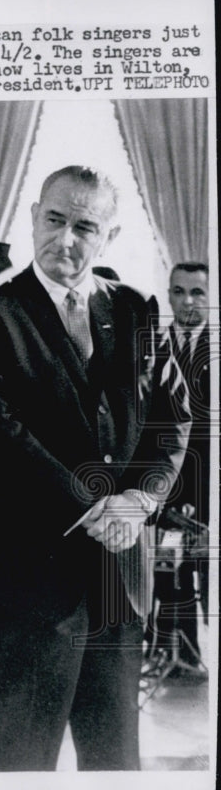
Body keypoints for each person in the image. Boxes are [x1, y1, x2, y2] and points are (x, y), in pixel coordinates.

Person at [0, 165, 190, 771]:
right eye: (55, 220)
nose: (67, 240)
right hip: (24, 586)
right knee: (15, 767)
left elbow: (173, 419)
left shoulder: (136, 310)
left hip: (118, 582)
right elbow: (0, 440)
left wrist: (138, 503)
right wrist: (94, 507)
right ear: (32, 216)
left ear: (109, 234)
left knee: (116, 766)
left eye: (86, 226)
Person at [154, 261, 211, 672]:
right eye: (178, 291)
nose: (187, 301)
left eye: (197, 292)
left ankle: (190, 652)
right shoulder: (153, 345)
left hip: (208, 484)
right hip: (164, 484)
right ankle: (165, 651)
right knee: (164, 567)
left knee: (199, 569)